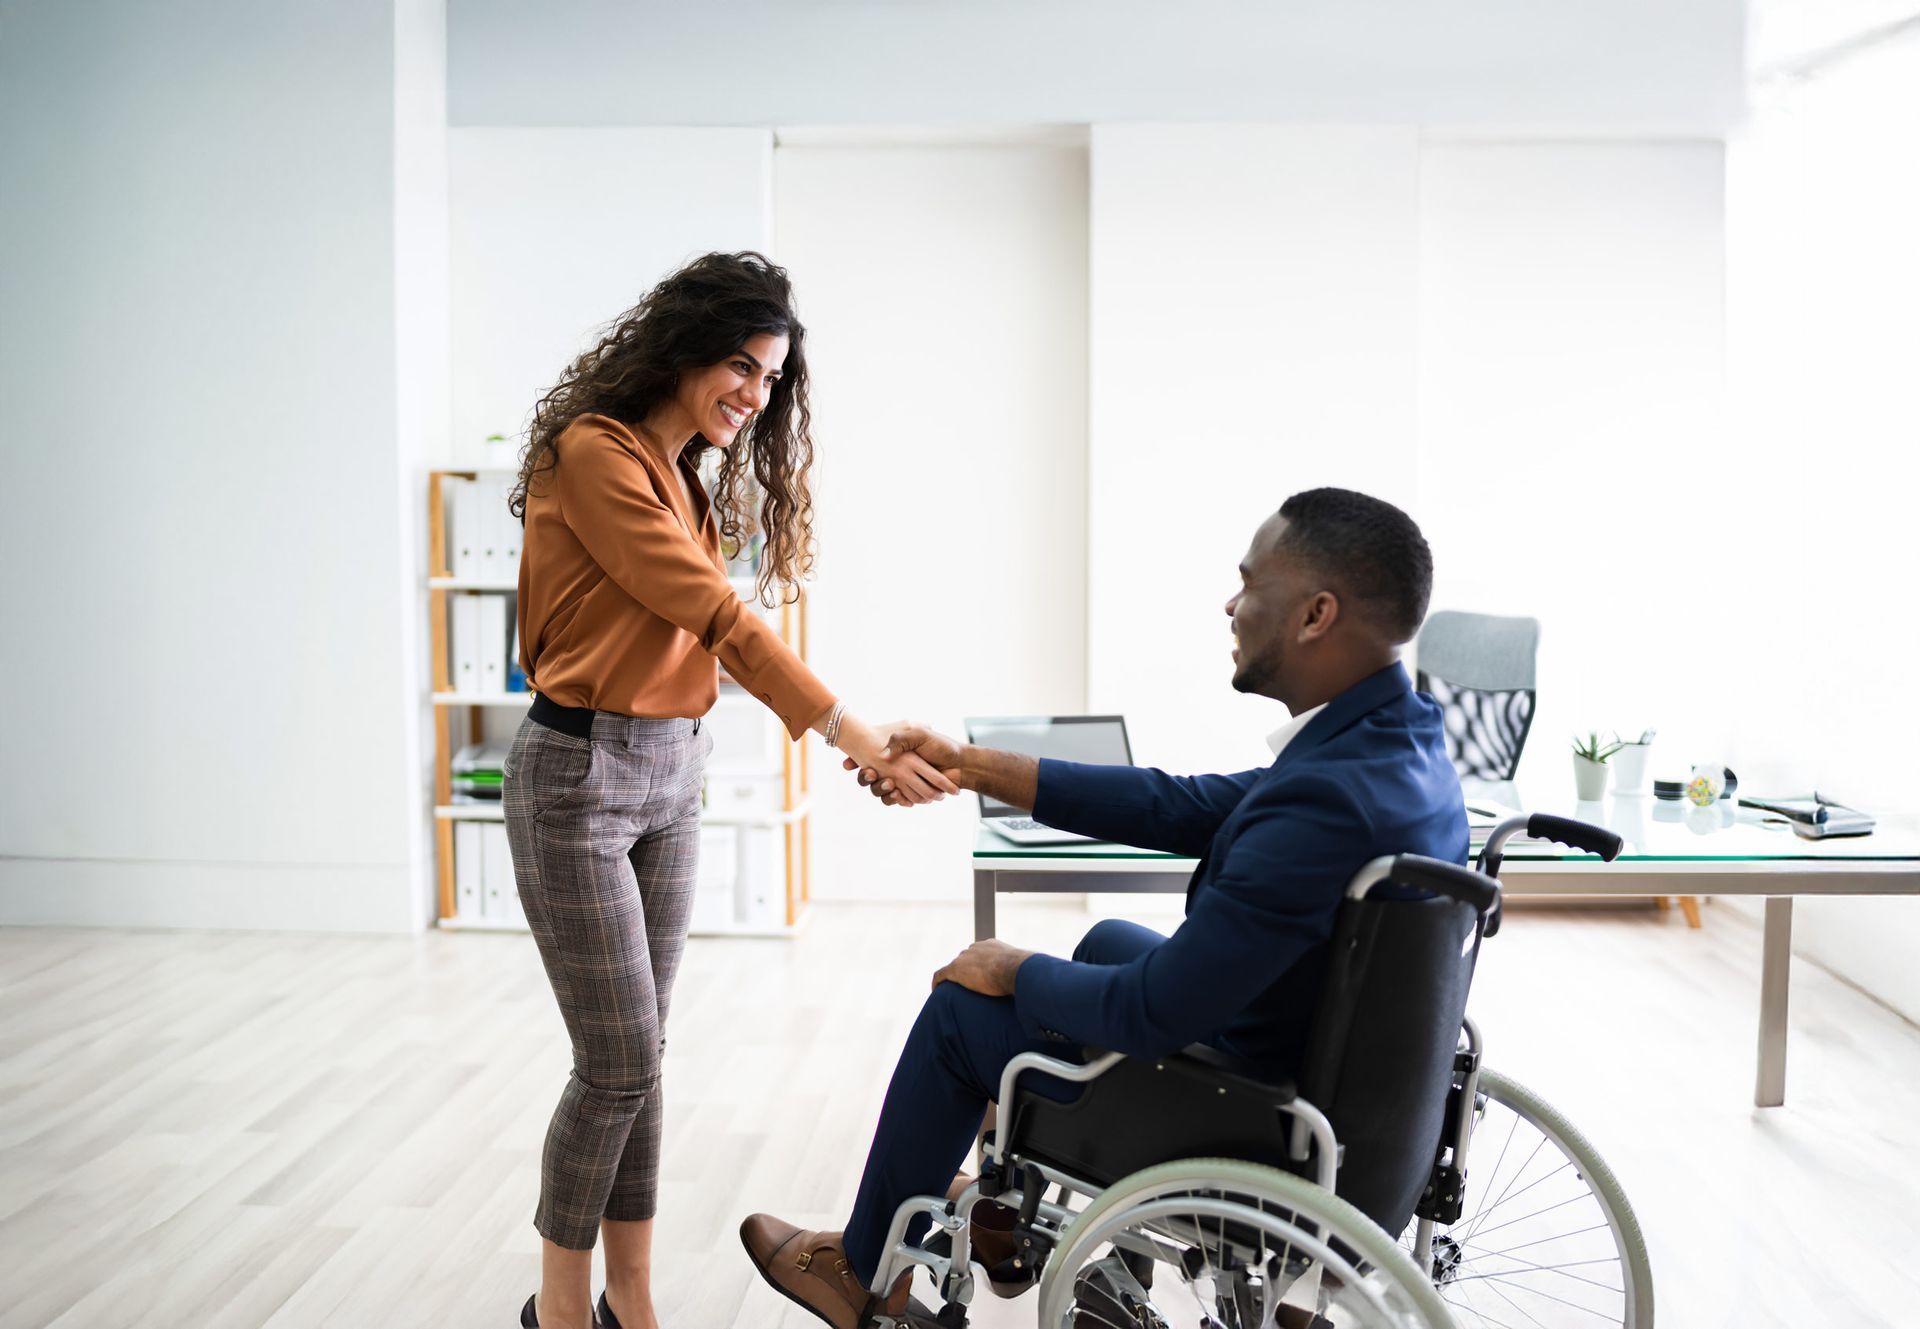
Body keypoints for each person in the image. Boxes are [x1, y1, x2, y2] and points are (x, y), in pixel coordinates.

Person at [738, 487, 1466, 1328]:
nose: (1231, 603)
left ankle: (862, 1276)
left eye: (1248, 580)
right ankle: (1001, 1222)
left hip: (1254, 1113)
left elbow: (1154, 1009)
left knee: (960, 1010)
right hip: (1330, 1078)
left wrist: (1009, 966)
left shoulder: (1327, 800)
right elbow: (1175, 804)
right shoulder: (1391, 743)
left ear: (1315, 614)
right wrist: (971, 764)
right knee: (1104, 937)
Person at [502, 251, 956, 1329]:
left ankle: (635, 1299)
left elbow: (706, 631)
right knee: (615, 1064)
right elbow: (714, 615)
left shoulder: (686, 478)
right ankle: (561, 1311)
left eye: (769, 381)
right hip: (578, 775)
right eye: (742, 369)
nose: (753, 398)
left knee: (643, 1060)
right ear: (684, 347)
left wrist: (854, 734)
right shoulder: (594, 454)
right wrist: (851, 729)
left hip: (671, 772)